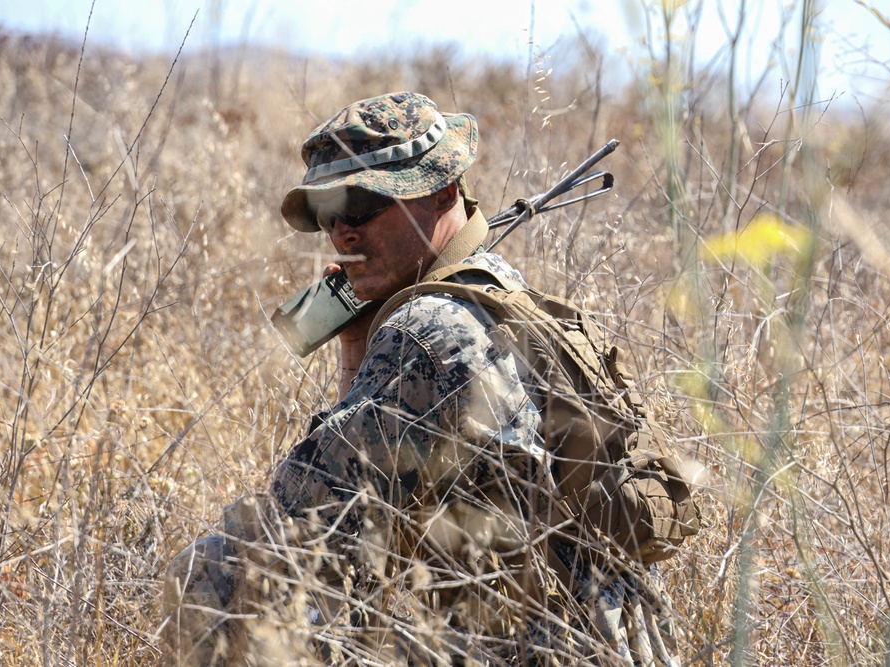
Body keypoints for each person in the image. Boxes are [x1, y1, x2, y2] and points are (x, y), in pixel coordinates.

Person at [162, 91, 681, 666]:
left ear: (442, 190)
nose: (342, 234)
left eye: (361, 206)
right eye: (330, 216)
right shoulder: (498, 292)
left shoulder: (427, 331)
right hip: (594, 642)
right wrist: (358, 343)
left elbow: (298, 511)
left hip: (534, 650)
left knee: (214, 568)